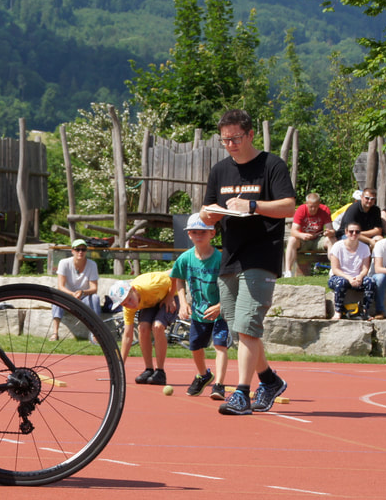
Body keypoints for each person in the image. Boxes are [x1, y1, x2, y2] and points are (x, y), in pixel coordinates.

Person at [198, 109, 296, 416]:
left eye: (236, 138)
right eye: (225, 140)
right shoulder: (220, 170)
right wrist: (208, 216)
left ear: (251, 134)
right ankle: (269, 380)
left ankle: (241, 393)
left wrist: (252, 205)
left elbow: (289, 206)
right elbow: (207, 210)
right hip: (230, 257)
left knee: (248, 326)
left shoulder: (272, 165)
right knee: (239, 330)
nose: (230, 145)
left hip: (262, 255)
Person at [171, 213, 229, 399]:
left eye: (202, 232)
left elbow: (232, 286)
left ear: (212, 233)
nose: (198, 235)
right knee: (195, 347)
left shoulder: (221, 258)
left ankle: (219, 385)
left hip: (220, 312)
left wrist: (220, 305)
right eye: (194, 232)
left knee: (220, 345)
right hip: (198, 313)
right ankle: (204, 375)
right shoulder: (185, 258)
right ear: (189, 234)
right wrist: (183, 302)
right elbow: (178, 279)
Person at [107, 271, 178, 386]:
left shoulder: (152, 284)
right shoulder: (128, 306)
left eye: (130, 300)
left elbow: (175, 274)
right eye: (125, 304)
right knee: (143, 328)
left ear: (133, 290)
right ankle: (149, 369)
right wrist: (120, 366)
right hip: (152, 301)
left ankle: (160, 372)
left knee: (158, 326)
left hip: (171, 294)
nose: (130, 305)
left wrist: (170, 296)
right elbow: (127, 336)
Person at [51, 238, 99, 340]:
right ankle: (55, 333)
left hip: (84, 297)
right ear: (72, 251)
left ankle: (96, 333)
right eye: (77, 249)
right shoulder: (64, 263)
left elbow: (94, 288)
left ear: (86, 251)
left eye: (83, 249)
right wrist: (72, 294)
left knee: (95, 298)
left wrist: (82, 292)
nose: (80, 252)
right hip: (67, 297)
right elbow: (60, 286)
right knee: (56, 297)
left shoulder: (92, 264)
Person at [327, 221, 375, 320]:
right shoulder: (337, 246)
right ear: (346, 232)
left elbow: (365, 268)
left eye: (357, 232)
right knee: (341, 282)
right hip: (339, 277)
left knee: (370, 281)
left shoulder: (365, 248)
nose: (354, 234)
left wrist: (360, 277)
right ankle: (338, 311)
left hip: (357, 278)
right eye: (351, 231)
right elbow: (335, 269)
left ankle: (365, 311)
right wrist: (349, 278)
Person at [283, 192, 335, 277]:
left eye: (316, 206)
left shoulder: (324, 210)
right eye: (311, 206)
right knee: (292, 240)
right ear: (306, 204)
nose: (313, 209)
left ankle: (333, 269)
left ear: (319, 204)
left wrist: (329, 233)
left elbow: (331, 230)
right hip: (303, 241)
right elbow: (293, 231)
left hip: (318, 239)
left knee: (332, 240)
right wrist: (302, 235)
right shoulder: (301, 210)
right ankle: (288, 271)